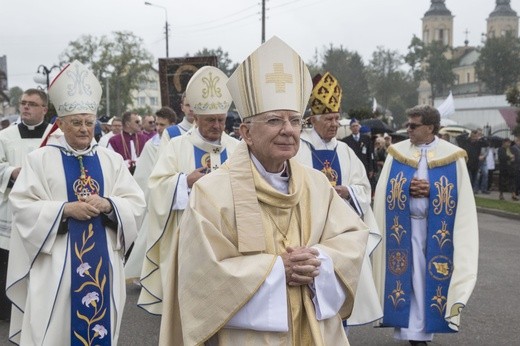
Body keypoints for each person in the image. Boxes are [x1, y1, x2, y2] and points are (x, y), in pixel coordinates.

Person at [158, 36, 369, 345]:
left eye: (295, 121)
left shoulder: (316, 184)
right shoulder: (211, 193)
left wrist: (320, 260)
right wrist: (275, 269)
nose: (288, 130)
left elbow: (351, 238)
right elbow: (201, 277)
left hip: (314, 328)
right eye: (274, 120)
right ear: (245, 132)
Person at [5, 60, 145, 345]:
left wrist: (108, 205)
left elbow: (136, 202)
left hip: (104, 261)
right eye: (76, 123)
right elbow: (22, 205)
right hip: (56, 265)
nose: (84, 129)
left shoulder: (110, 160)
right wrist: (64, 210)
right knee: (56, 329)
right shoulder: (40, 160)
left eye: (89, 123)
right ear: (61, 124)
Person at [373, 105, 478, 345]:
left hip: (434, 232)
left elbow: (461, 198)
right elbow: (383, 191)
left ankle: (419, 331)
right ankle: (409, 329)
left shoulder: (453, 155)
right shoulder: (397, 152)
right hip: (401, 228)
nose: (407, 129)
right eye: (407, 124)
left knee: (425, 280)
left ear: (430, 127)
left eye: (413, 125)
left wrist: (433, 191)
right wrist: (404, 188)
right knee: (406, 279)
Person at [138, 66, 240, 314]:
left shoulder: (238, 148)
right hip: (187, 236)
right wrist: (185, 181)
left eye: (221, 120)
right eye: (210, 120)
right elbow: (157, 185)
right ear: (196, 118)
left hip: (229, 237)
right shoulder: (176, 146)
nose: (217, 126)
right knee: (189, 309)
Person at [295, 71, 382, 327]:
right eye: (329, 119)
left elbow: (363, 189)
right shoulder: (298, 148)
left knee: (338, 289)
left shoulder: (344, 150)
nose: (334, 124)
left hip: (339, 235)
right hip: (309, 231)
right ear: (314, 119)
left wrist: (347, 192)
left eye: (337, 119)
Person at [0, 88, 53, 321]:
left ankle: (42, 307)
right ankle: (7, 310)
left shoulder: (55, 136)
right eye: (22, 103)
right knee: (7, 260)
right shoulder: (5, 135)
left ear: (44, 109)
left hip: (44, 209)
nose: (25, 107)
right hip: (11, 209)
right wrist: (12, 172)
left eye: (32, 104)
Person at [125, 106, 177, 282]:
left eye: (163, 125)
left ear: (172, 125)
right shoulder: (151, 144)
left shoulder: (179, 142)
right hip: (154, 197)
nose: (159, 128)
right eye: (157, 124)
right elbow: (143, 175)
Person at [341, 118, 376, 183]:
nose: (355, 128)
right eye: (353, 126)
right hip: (353, 168)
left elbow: (370, 154)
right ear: (350, 128)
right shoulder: (346, 141)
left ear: (359, 127)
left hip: (365, 167)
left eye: (356, 126)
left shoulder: (366, 139)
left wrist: (371, 168)